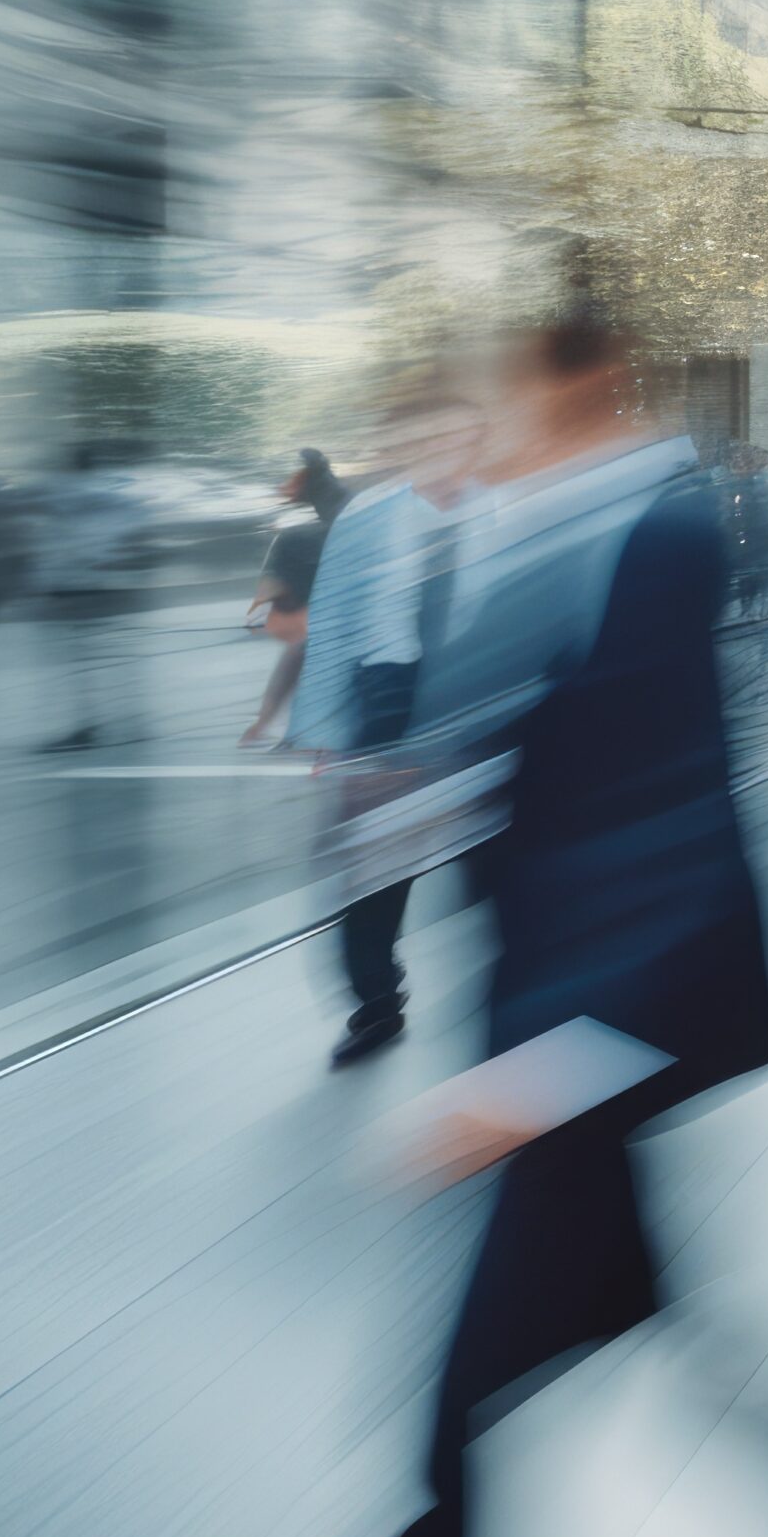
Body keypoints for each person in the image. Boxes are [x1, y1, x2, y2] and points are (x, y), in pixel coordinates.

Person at [172, 298, 768, 1537]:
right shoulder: (574, 526)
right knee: (686, 1344)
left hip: (598, 1033)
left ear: (587, 387)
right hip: (578, 1025)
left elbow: (674, 828)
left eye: (511, 403)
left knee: (456, 1416)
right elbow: (543, 764)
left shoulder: (656, 535)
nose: (485, 432)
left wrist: (558, 1062)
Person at [290, 387, 479, 1067]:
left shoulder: (506, 505)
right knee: (373, 869)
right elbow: (335, 622)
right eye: (427, 438)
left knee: (492, 857)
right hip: (387, 696)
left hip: (479, 692)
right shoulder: (371, 516)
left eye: (456, 436)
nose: (442, 451)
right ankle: (375, 1003)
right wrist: (325, 729)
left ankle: (510, 987)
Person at [243, 450, 348, 746]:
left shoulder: (302, 535)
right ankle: (266, 723)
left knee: (301, 649)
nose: (281, 488)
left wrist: (255, 616)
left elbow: (274, 584)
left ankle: (270, 724)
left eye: (288, 480)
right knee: (300, 649)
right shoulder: (333, 497)